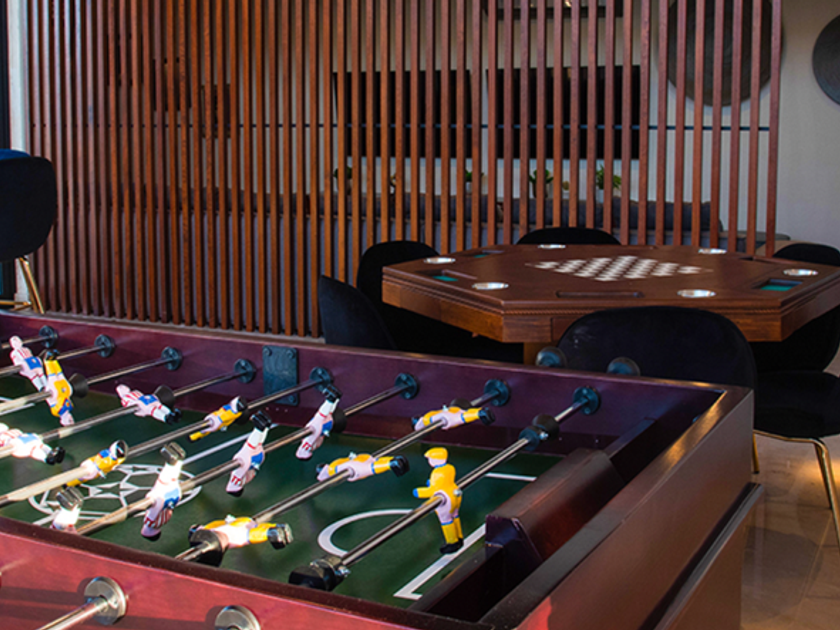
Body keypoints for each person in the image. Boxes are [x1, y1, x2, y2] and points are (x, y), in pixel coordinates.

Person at [413, 447, 463, 554]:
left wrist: (419, 492)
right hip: (455, 492)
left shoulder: (436, 473)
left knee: (446, 520)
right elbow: (445, 482)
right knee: (455, 515)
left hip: (445, 498)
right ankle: (459, 537)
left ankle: (452, 542)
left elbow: (434, 490)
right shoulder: (450, 467)